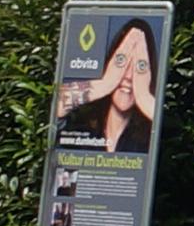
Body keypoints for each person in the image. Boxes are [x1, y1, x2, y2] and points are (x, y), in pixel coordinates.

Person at [54, 17, 160, 151]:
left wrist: (143, 95)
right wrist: (106, 84)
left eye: (141, 66)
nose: (128, 76)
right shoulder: (79, 132)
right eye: (121, 61)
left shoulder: (151, 140)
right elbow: (56, 107)